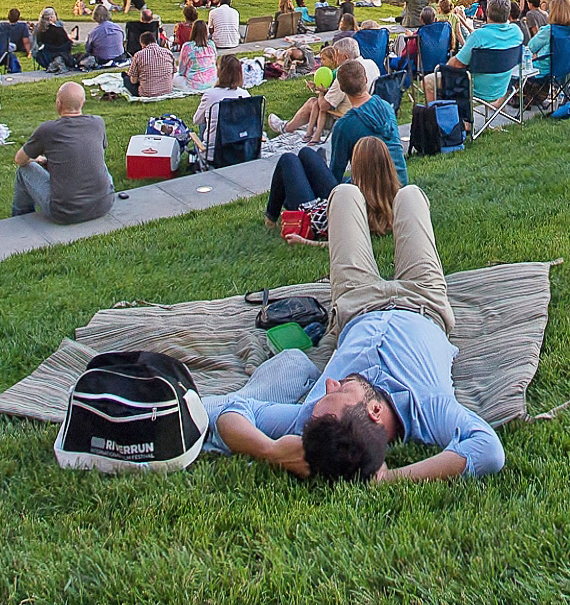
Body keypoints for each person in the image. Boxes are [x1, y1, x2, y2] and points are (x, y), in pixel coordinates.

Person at [208, 176, 504, 482]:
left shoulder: (316, 416)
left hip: (356, 304)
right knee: (411, 197)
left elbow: (230, 409)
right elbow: (488, 450)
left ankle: (375, 211)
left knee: (345, 193)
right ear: (375, 411)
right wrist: (392, 478)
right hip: (423, 301)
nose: (329, 384)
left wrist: (270, 450)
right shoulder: (427, 406)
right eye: (342, 391)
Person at [266, 60, 410, 226]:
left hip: (362, 201)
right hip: (398, 186)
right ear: (365, 79)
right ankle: (274, 214)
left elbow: (335, 177)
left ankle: (271, 218)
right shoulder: (386, 107)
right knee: (306, 154)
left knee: (288, 160)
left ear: (341, 88)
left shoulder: (345, 126)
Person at [12, 82, 114, 224]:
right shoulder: (98, 122)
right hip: (104, 204)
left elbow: (20, 159)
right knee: (95, 160)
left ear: (58, 103)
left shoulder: (47, 129)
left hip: (65, 213)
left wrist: (34, 160)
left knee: (25, 170)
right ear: (83, 102)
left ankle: (21, 217)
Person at [280, 37, 380, 141]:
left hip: (346, 116)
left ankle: (287, 127)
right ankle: (300, 125)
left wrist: (321, 92)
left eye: (336, 56)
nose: (335, 60)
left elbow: (324, 106)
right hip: (368, 111)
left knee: (313, 102)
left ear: (345, 57)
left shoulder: (346, 73)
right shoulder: (371, 64)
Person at [443, 0, 527, 108]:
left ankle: (442, 120)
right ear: (508, 15)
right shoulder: (517, 32)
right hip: (503, 86)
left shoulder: (479, 36)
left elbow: (456, 64)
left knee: (430, 81)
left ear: (487, 13)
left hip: (476, 88)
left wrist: (445, 66)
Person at [124, 25, 178, 99]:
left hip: (146, 93)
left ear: (142, 44)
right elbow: (174, 71)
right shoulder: (168, 52)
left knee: (125, 78)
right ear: (156, 41)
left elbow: (133, 81)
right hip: (167, 90)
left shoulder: (139, 55)